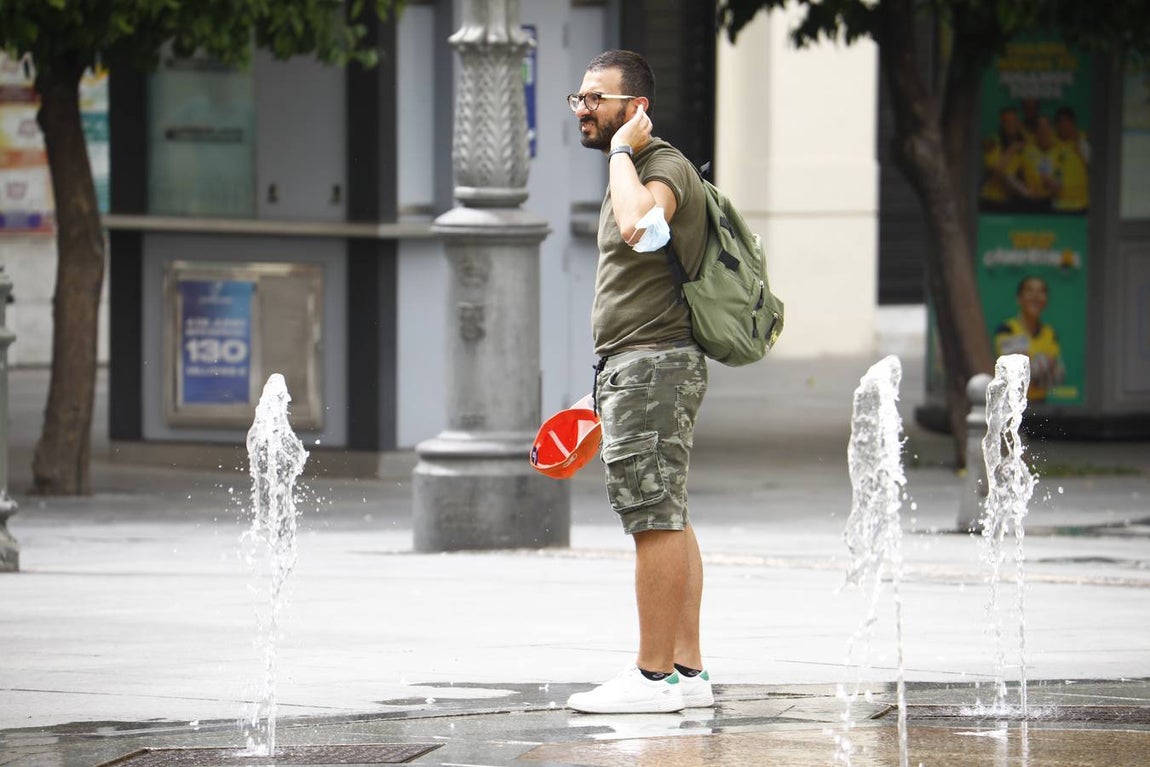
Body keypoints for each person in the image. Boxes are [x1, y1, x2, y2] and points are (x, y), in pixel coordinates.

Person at [563, 49, 713, 715]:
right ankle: (687, 670)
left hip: (653, 364)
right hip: (637, 365)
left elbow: (641, 227)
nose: (584, 109)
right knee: (670, 515)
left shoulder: (661, 166)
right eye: (580, 97)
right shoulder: (639, 167)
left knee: (653, 519)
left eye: (597, 98)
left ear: (636, 108)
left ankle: (653, 679)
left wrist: (625, 154)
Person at [994, 275, 1066, 402]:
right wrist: (1044, 363)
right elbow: (1015, 374)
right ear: (1019, 298)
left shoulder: (1050, 333)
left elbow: (1058, 376)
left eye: (1041, 292)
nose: (1036, 297)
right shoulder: (1007, 329)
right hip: (1012, 405)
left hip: (1041, 405)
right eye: (1030, 291)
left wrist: (1030, 361)